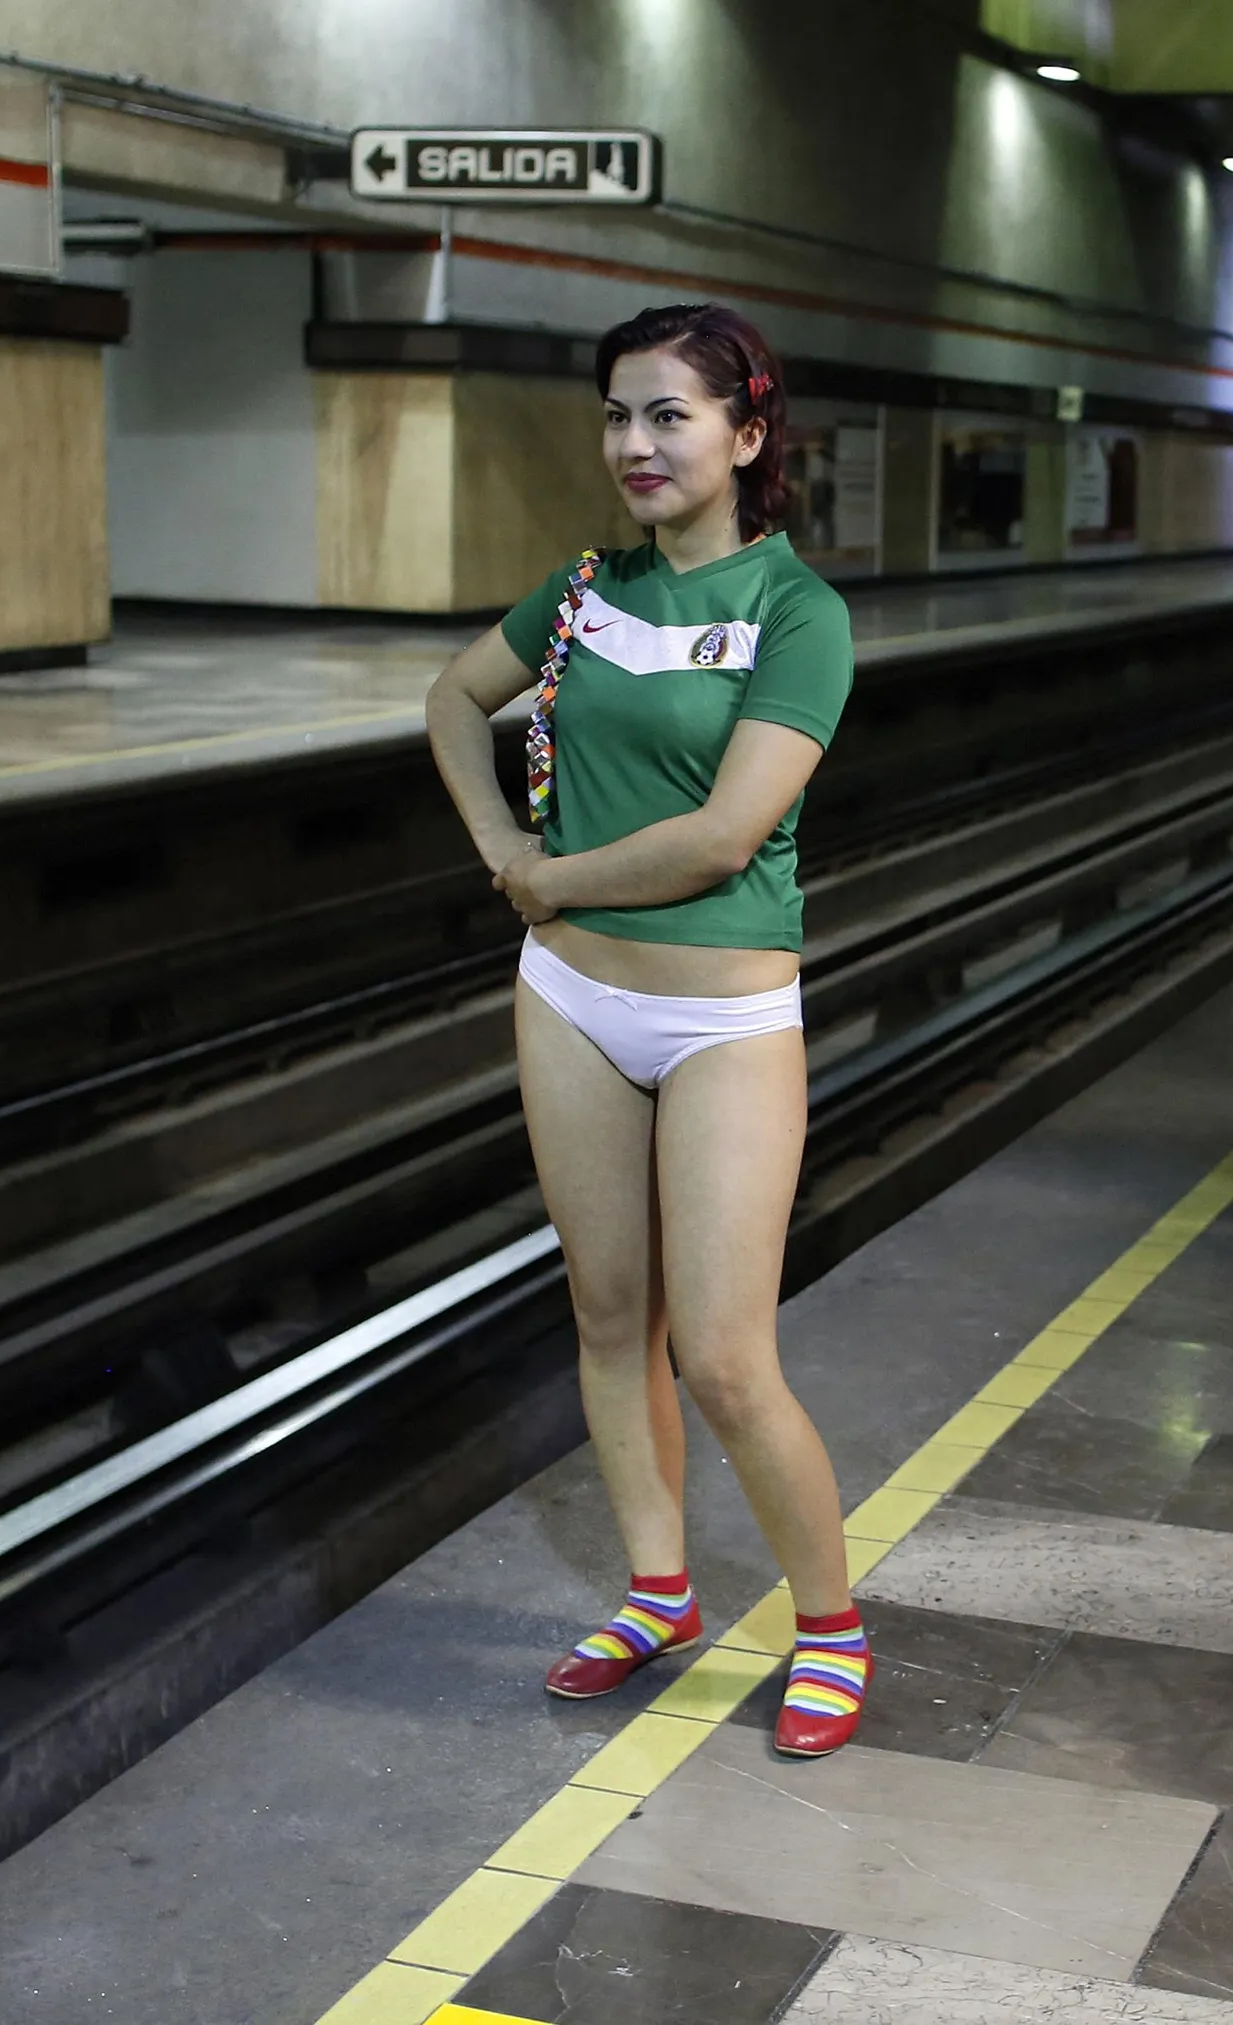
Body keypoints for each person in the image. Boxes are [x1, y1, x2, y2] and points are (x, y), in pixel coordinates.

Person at [423, 304, 870, 1759]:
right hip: (569, 999)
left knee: (728, 1358)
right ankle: (659, 1590)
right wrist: (500, 840)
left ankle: (831, 1624)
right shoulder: (580, 590)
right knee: (612, 1321)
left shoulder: (801, 612)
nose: (635, 443)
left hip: (724, 1017)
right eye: (619, 414)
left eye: (669, 416)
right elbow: (451, 697)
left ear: (747, 435)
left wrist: (546, 876)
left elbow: (725, 833)